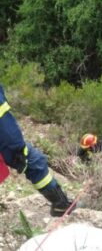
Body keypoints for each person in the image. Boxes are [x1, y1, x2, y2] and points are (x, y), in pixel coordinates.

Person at [0, 84, 74, 217]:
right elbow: (4, 125)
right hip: (7, 139)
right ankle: (60, 205)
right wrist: (19, 149)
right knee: (34, 161)